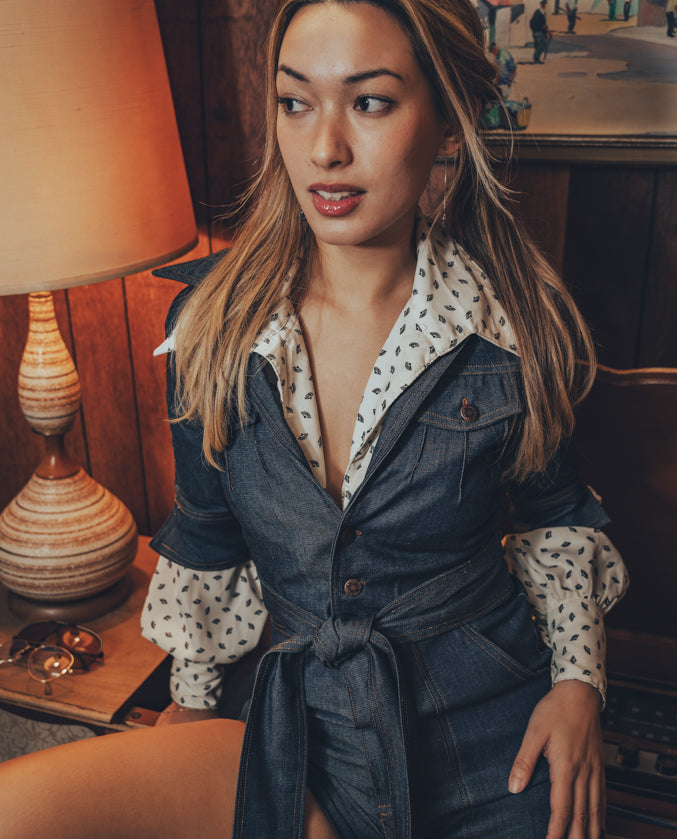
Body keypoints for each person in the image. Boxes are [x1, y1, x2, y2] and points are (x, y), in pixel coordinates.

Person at [0, 1, 628, 837]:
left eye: (370, 101)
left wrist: (578, 686)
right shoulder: (211, 327)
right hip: (298, 737)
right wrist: (192, 706)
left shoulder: (512, 326)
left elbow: (557, 522)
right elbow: (207, 535)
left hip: (496, 749)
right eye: (295, 102)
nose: (324, 147)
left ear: (447, 122)